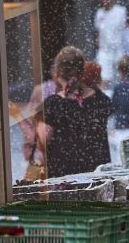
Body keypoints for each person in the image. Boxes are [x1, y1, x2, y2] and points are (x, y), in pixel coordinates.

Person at [38, 46, 112, 178]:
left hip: (65, 177)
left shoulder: (53, 104)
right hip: (97, 173)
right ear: (82, 70)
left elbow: (43, 139)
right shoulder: (101, 100)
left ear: (57, 72)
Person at [94, 0, 128, 90]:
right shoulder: (99, 13)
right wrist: (98, 43)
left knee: (121, 76)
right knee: (104, 76)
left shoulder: (121, 11)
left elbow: (126, 27)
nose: (104, 0)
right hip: (105, 50)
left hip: (119, 48)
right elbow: (98, 31)